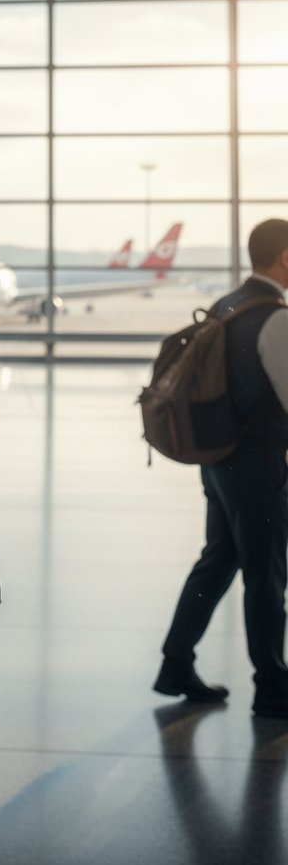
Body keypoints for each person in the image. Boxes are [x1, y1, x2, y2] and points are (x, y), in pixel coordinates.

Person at [154, 218, 288, 719]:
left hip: (218, 460)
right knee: (266, 576)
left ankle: (175, 665)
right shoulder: (274, 315)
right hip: (259, 465)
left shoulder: (225, 305)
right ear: (284, 258)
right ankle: (273, 686)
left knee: (218, 561)